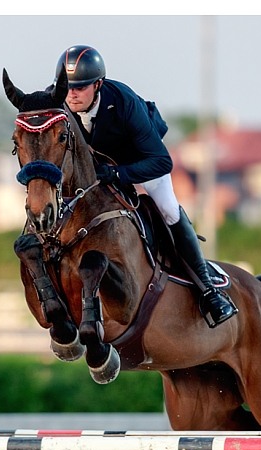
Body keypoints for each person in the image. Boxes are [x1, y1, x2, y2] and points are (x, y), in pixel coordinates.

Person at [55, 45, 237, 328]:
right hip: (96, 171)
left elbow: (162, 162)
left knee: (168, 210)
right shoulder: (59, 101)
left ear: (99, 84)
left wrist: (117, 174)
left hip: (139, 162)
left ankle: (209, 291)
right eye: (68, 87)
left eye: (80, 87)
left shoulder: (124, 103)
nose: (72, 94)